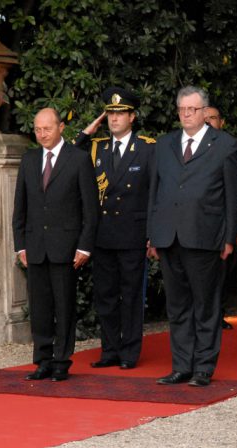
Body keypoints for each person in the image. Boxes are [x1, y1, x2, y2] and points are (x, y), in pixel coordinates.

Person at [147, 86, 237, 387]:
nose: (186, 114)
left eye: (192, 109)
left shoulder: (224, 144)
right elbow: (155, 192)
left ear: (204, 111)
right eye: (182, 109)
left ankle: (203, 366)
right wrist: (152, 235)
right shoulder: (164, 145)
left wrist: (229, 238)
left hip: (206, 236)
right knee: (177, 307)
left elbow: (232, 195)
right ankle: (181, 366)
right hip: (169, 237)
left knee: (205, 305)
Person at [12, 107, 98, 382]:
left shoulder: (79, 159)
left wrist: (84, 246)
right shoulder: (29, 160)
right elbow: (20, 207)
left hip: (66, 246)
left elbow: (90, 208)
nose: (42, 134)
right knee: (40, 308)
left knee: (64, 306)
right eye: (37, 129)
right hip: (35, 246)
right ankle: (43, 360)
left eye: (47, 128)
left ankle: (62, 360)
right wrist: (20, 245)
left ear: (61, 127)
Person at [73, 87, 155, 370]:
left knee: (131, 295)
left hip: (133, 233)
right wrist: (87, 131)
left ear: (132, 116)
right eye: (110, 113)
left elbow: (156, 192)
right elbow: (69, 156)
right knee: (105, 296)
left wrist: (152, 233)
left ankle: (130, 353)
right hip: (103, 234)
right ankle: (110, 350)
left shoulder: (147, 147)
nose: (114, 118)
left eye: (120, 113)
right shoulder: (97, 146)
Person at [203, 103, 237, 330]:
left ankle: (218, 315)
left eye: (213, 118)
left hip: (223, 224)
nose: (208, 122)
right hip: (198, 225)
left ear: (222, 122)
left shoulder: (229, 147)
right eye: (204, 117)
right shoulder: (188, 148)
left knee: (222, 274)